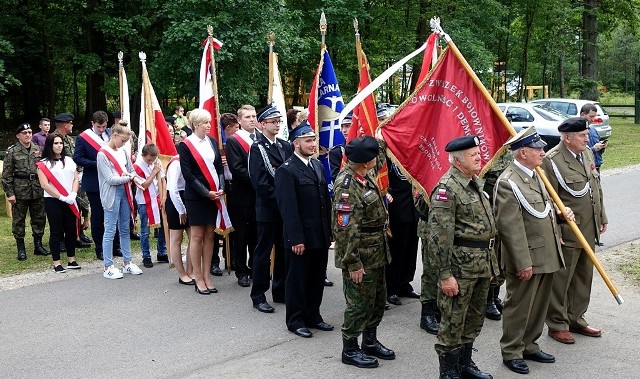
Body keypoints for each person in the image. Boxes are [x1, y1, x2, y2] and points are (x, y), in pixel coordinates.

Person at [494, 128, 566, 375]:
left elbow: (542, 212)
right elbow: (510, 228)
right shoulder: (508, 182)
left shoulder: (536, 175)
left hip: (546, 251)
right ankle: (512, 350)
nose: (543, 154)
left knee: (539, 303)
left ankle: (530, 345)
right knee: (520, 304)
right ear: (523, 152)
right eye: (538, 149)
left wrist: (561, 221)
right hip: (526, 257)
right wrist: (522, 262)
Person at [427, 135, 496, 379]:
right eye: (473, 155)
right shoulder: (447, 189)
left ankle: (465, 364)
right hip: (460, 269)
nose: (479, 157)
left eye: (479, 153)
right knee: (452, 321)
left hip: (481, 265)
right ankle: (448, 371)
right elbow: (438, 237)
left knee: (474, 319)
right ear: (457, 161)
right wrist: (445, 275)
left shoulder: (474, 183)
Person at [544, 117, 608, 344]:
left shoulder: (587, 153)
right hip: (567, 230)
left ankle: (576, 318)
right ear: (567, 138)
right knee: (562, 279)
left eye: (587, 134)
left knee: (583, 276)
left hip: (588, 227)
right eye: (582, 135)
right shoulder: (551, 161)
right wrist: (556, 231)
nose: (587, 138)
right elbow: (546, 199)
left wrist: (602, 215)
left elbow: (595, 186)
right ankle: (557, 323)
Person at [333, 135, 395, 369]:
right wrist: (353, 264)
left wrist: (383, 135)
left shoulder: (364, 173)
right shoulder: (347, 186)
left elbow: (379, 154)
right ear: (364, 162)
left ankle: (369, 341)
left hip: (377, 251)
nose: (376, 161)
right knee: (359, 304)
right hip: (360, 256)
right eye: (372, 158)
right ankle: (350, 348)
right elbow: (345, 229)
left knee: (377, 300)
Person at [275, 123, 332, 337]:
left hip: (319, 234)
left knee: (316, 278)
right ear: (295, 143)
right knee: (297, 279)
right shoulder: (287, 170)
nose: (312, 144)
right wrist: (295, 239)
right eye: (308, 140)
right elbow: (288, 210)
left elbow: (324, 201)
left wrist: (329, 232)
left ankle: (313, 315)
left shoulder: (316, 165)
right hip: (301, 237)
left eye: (314, 140)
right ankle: (296, 320)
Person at [248, 106, 293, 313]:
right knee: (263, 252)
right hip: (268, 208)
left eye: (278, 121)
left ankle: (280, 290)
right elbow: (260, 182)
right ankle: (258, 294)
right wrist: (282, 200)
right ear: (262, 124)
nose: (276, 124)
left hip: (283, 209)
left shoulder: (285, 146)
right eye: (272, 121)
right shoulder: (257, 148)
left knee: (284, 250)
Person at [177, 108, 225, 295]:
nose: (209, 125)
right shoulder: (186, 145)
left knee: (210, 235)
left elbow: (219, 167)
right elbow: (187, 174)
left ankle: (207, 276)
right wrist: (206, 193)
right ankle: (198, 277)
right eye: (206, 122)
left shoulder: (212, 141)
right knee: (196, 236)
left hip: (214, 195)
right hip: (197, 196)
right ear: (196, 125)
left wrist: (220, 188)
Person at [97, 120, 144, 279]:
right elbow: (110, 179)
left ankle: (127, 262)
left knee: (125, 228)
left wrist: (136, 179)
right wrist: (128, 178)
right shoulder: (102, 154)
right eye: (122, 140)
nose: (123, 144)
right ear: (114, 135)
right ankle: (108, 265)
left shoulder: (123, 151)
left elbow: (131, 171)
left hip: (125, 192)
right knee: (110, 229)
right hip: (111, 194)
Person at [74, 110, 122, 260]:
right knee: (98, 216)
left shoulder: (110, 134)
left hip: (112, 180)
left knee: (114, 213)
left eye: (104, 126)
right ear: (92, 124)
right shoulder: (83, 138)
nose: (102, 130)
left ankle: (115, 246)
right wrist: (98, 164)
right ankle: (100, 248)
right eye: (99, 127)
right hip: (94, 181)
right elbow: (78, 158)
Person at [2, 123, 50, 260]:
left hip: (37, 189)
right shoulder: (12, 152)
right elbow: (6, 176)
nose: (28, 135)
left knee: (39, 218)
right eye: (24, 133)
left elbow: (45, 170)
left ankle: (38, 245)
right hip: (20, 190)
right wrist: (9, 193)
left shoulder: (38, 150)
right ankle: (21, 248)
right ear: (18, 136)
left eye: (29, 132)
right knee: (19, 220)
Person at [37, 134, 81, 273]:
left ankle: (71, 259)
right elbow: (44, 185)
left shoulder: (68, 160)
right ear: (50, 145)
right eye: (55, 143)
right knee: (56, 231)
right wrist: (61, 197)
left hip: (70, 199)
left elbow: (75, 179)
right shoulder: (43, 164)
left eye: (61, 143)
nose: (59, 145)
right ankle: (56, 262)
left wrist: (73, 193)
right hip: (53, 201)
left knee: (71, 230)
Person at [225, 105, 258, 288]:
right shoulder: (233, 141)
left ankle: (255, 267)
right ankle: (242, 271)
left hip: (259, 197)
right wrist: (259, 181)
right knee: (242, 236)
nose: (252, 119)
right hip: (242, 196)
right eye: (247, 117)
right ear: (239, 120)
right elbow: (237, 169)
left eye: (254, 116)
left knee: (257, 234)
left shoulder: (260, 138)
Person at [53, 112, 91, 249]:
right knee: (63, 210)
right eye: (70, 123)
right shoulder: (54, 139)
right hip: (61, 180)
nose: (72, 125)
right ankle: (63, 239)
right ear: (64, 125)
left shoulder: (69, 139)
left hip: (74, 177)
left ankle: (77, 234)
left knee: (77, 206)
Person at [385, 160, 420, 306]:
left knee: (411, 250)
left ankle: (405, 284)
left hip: (414, 208)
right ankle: (391, 288)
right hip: (397, 208)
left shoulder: (414, 151)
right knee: (396, 251)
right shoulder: (390, 154)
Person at [211, 112, 239, 275]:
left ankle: (232, 258)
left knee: (233, 223)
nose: (238, 130)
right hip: (219, 186)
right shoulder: (216, 143)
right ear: (227, 128)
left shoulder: (235, 143)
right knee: (216, 224)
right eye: (236, 128)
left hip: (233, 185)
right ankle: (214, 261)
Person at [134, 144, 168, 268]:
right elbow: (144, 185)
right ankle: (146, 255)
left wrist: (164, 197)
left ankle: (162, 252)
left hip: (158, 199)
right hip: (145, 201)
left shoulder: (157, 162)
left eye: (153, 159)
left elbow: (163, 180)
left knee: (163, 226)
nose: (151, 161)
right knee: (145, 230)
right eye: (149, 159)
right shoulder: (137, 167)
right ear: (143, 156)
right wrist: (154, 172)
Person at [165, 154, 193, 285]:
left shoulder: (188, 159)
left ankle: (190, 270)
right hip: (176, 200)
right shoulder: (176, 163)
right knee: (177, 239)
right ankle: (182, 274)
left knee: (194, 237)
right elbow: (173, 189)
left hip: (187, 197)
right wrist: (181, 210)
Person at [416, 191, 440, 335]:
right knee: (431, 274)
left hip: (450, 231)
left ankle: (440, 310)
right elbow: (421, 207)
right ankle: (427, 315)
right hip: (430, 230)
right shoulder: (429, 171)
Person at [580, 103, 607, 172]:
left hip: (597, 167)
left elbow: (599, 151)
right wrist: (593, 149)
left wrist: (602, 146)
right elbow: (578, 153)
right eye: (591, 116)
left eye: (594, 117)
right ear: (582, 114)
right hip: (585, 168)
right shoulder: (577, 132)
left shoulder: (593, 130)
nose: (593, 119)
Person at [328, 112, 352, 183]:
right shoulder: (336, 152)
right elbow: (336, 179)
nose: (344, 130)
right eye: (342, 126)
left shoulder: (365, 147)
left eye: (347, 126)